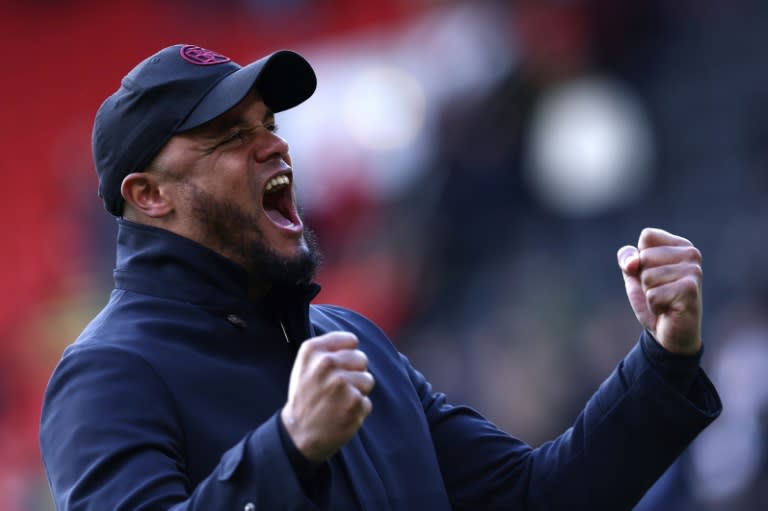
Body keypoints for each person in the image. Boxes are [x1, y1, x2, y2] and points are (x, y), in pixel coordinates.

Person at [39, 44, 721, 511]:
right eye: (226, 135)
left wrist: (663, 361)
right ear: (151, 194)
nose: (273, 142)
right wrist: (287, 450)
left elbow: (534, 497)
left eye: (269, 123)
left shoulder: (351, 342)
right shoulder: (107, 374)